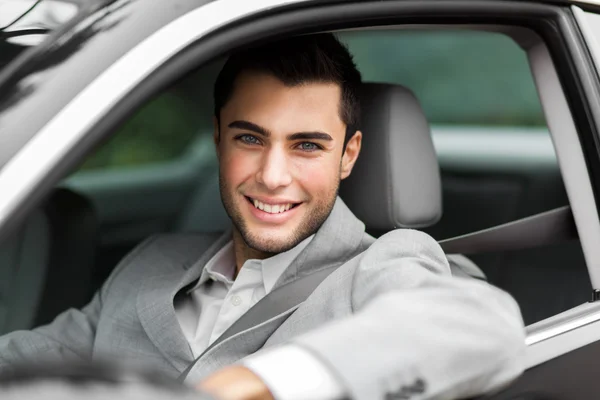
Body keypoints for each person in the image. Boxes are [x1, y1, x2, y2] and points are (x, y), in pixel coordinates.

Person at [0, 33, 525, 400]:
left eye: (307, 146)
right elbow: (34, 360)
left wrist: (265, 384)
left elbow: (479, 324)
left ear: (348, 155)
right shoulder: (152, 262)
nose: (274, 176)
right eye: (250, 138)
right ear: (217, 138)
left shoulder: (382, 266)